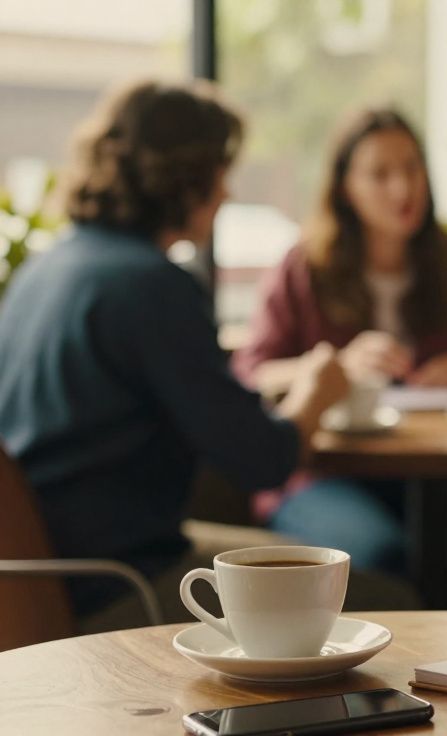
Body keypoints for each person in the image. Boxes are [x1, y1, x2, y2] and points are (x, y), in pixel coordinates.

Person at [0, 80, 413, 625]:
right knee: (400, 606)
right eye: (220, 170)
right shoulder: (152, 286)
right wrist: (316, 391)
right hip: (120, 581)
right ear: (185, 177)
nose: (226, 192)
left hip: (40, 578)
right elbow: (263, 460)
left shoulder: (45, 270)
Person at [232, 108, 447, 607]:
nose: (402, 188)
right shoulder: (303, 265)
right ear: (345, 187)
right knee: (381, 556)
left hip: (433, 471)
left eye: (412, 168)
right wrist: (330, 366)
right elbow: (252, 373)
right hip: (323, 473)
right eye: (380, 174)